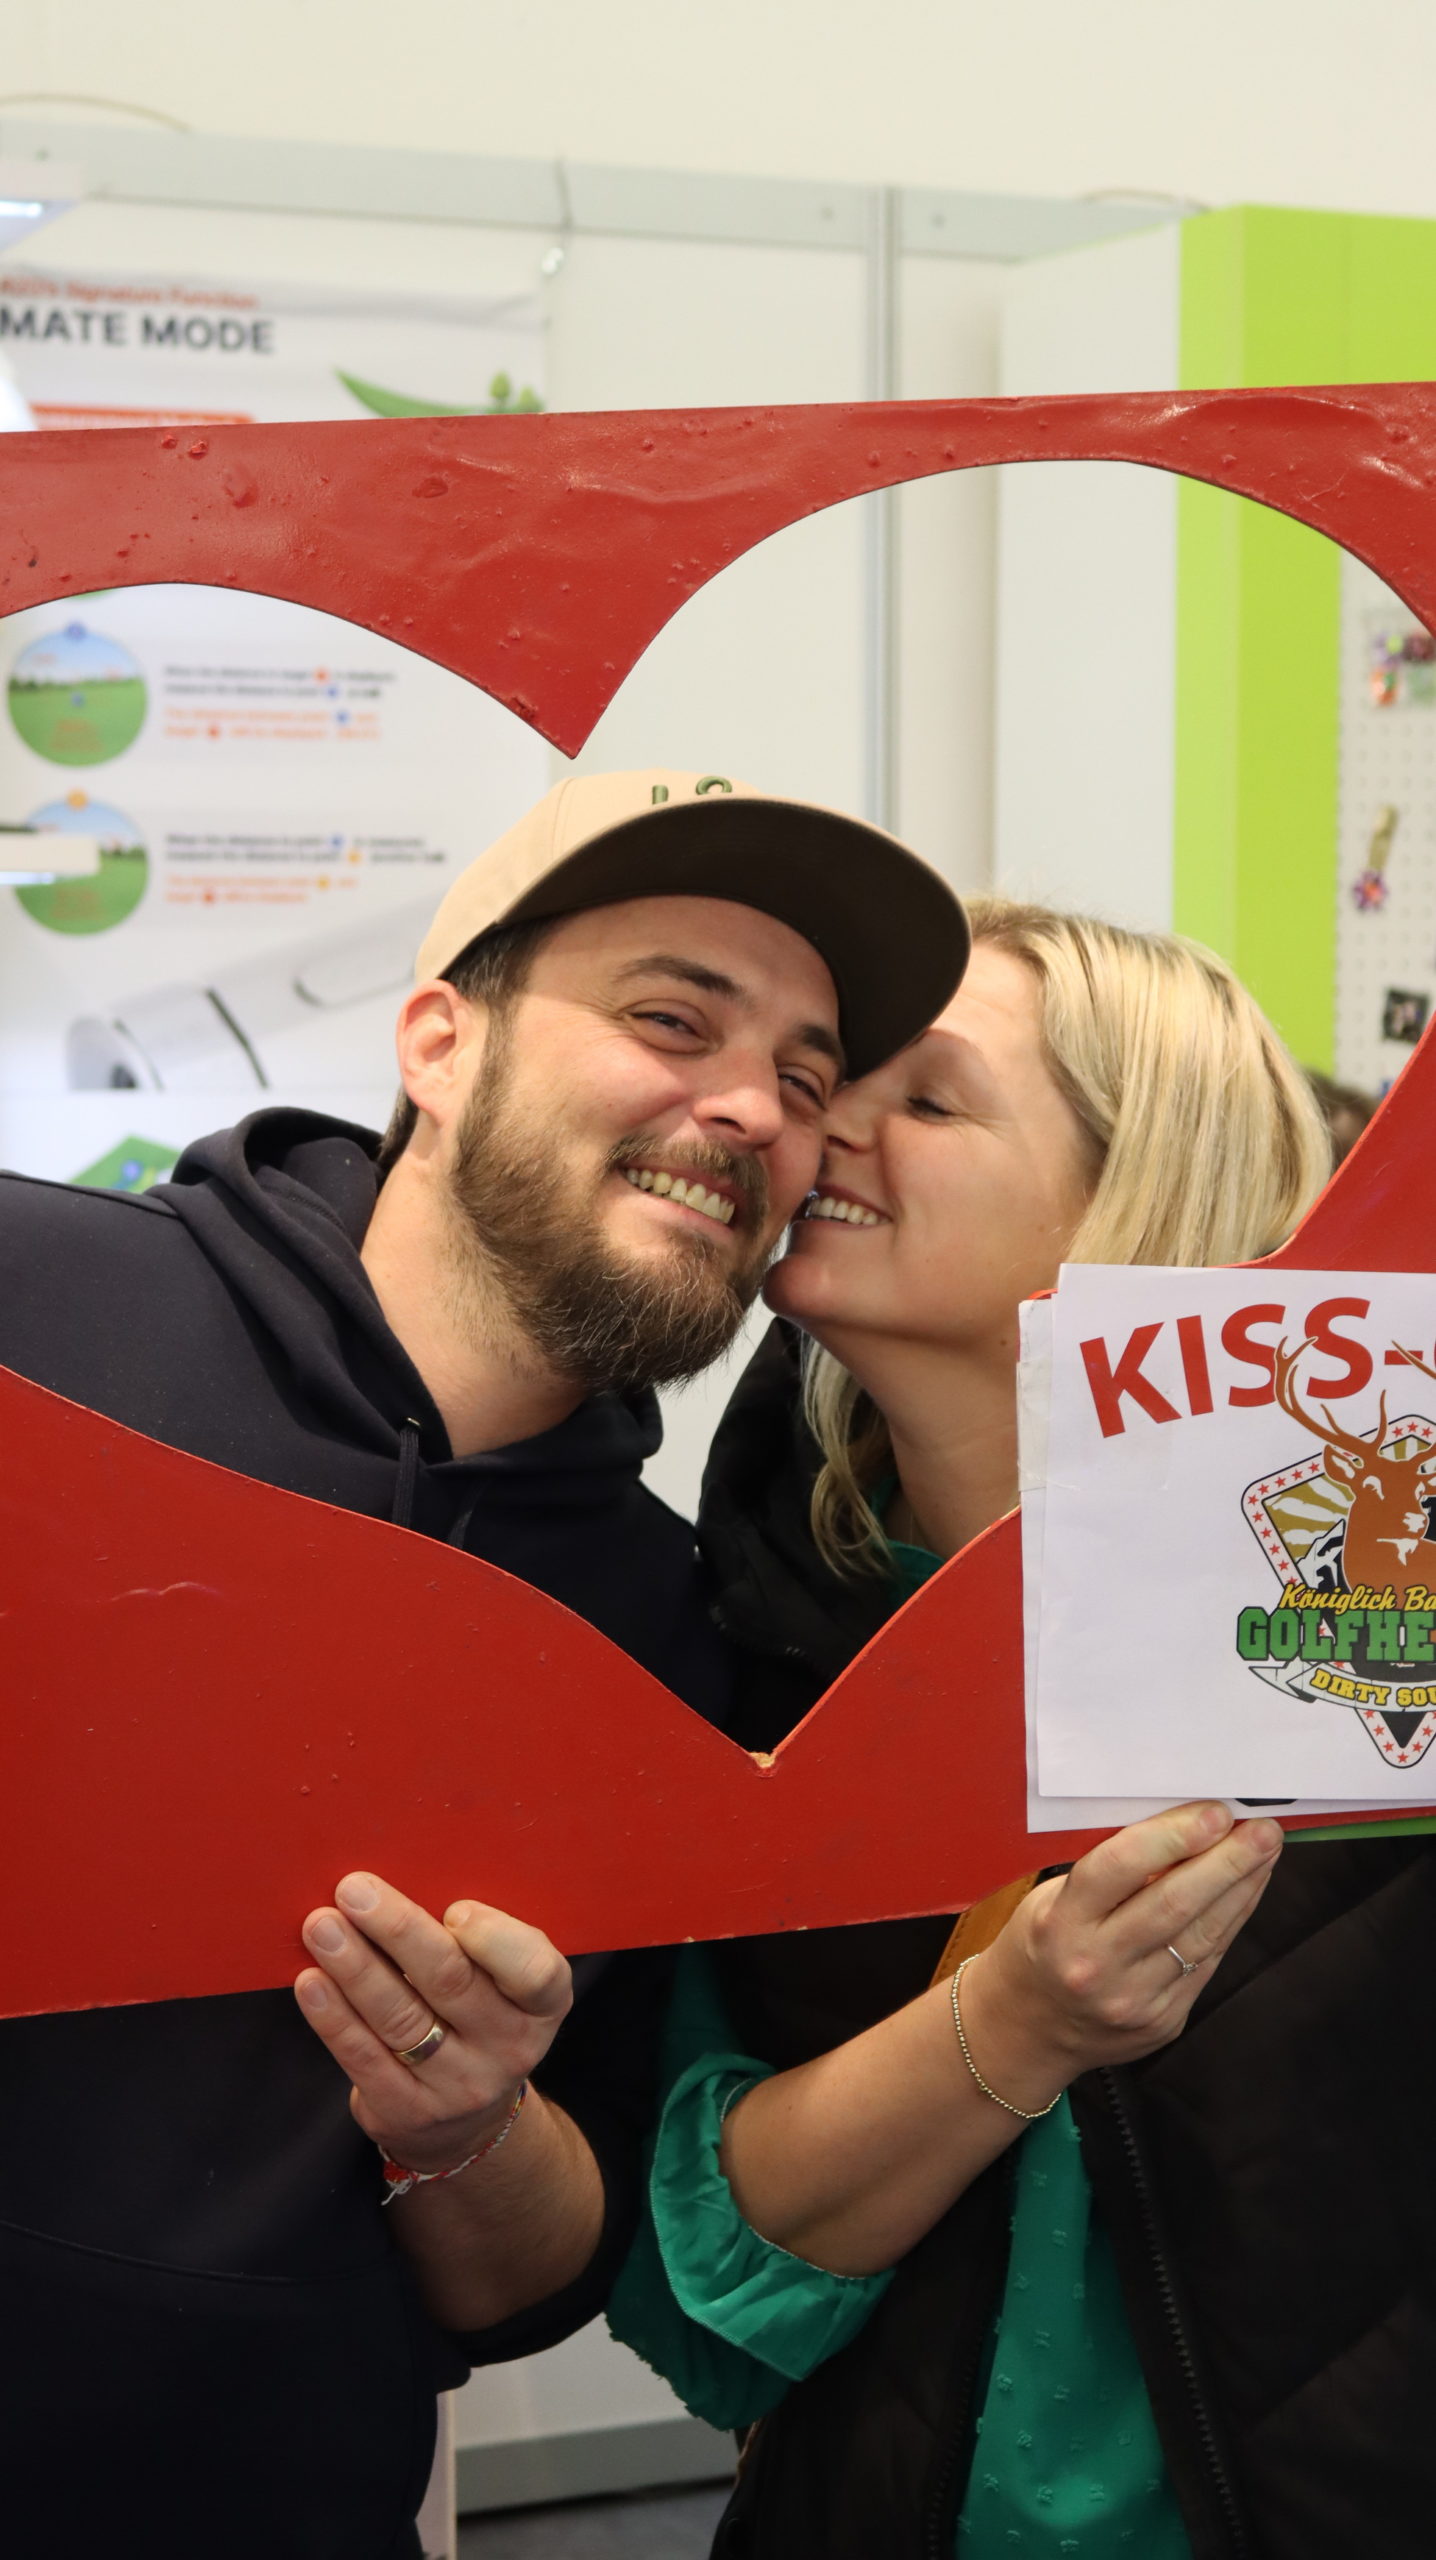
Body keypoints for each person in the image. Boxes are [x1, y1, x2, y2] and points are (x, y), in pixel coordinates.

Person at [0, 766, 969, 2560]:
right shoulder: (35, 1317)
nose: (752, 1108)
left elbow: (524, 2284)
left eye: (805, 1077)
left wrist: (468, 2121)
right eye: (672, 1018)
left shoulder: (670, 1630)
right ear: (442, 1046)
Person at [610, 900, 1433, 2559]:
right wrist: (1017, 2024)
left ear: (1136, 1212)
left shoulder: (1370, 1643)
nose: (815, 1121)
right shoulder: (749, 1643)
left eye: (926, 1097)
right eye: (839, 1075)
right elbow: (707, 2303)